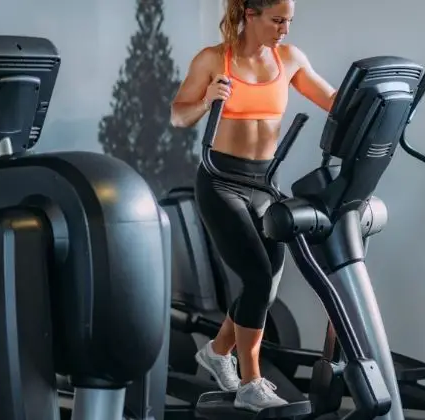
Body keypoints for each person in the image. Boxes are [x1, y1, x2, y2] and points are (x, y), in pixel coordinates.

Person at [170, 0, 337, 413]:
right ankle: (250, 382)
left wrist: (383, 105)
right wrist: (207, 98)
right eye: (277, 20)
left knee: (267, 284)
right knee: (259, 277)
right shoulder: (213, 59)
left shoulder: (290, 59)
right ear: (250, 14)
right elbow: (178, 116)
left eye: (289, 21)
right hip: (221, 181)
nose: (285, 29)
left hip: (265, 182)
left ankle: (217, 351)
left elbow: (334, 101)